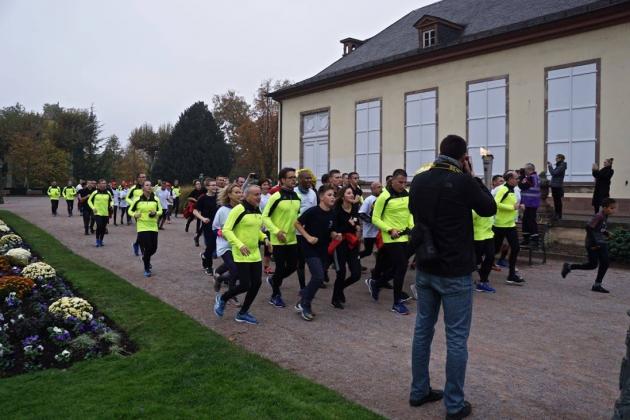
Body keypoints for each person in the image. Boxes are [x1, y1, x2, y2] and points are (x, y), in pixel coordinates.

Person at [408, 134, 496, 419]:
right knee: (456, 338)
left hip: (426, 264)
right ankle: (454, 405)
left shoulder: (419, 180)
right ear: (463, 156)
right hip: (455, 269)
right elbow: (488, 208)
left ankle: (418, 390)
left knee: (423, 330)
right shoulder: (462, 181)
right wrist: (473, 176)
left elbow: (414, 211)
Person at [214, 184, 270, 325]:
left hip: (254, 253)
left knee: (257, 283)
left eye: (259, 194)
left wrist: (264, 238)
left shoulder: (257, 210)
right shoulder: (238, 210)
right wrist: (239, 244)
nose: (259, 197)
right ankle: (223, 298)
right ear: (246, 196)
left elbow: (256, 230)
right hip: (240, 253)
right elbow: (226, 230)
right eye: (255, 195)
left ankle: (243, 313)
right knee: (245, 285)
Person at [366, 169, 414, 315]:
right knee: (401, 266)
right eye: (400, 182)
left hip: (404, 235)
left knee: (397, 267)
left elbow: (410, 212)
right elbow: (375, 218)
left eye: (405, 182)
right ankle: (396, 303)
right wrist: (389, 229)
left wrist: (411, 226)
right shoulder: (384, 196)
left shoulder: (407, 194)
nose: (403, 185)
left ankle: (377, 283)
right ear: (392, 180)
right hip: (391, 237)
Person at [294, 184, 337, 320]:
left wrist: (335, 235)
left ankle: (304, 296)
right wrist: (308, 237)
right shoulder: (313, 211)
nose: (333, 198)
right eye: (329, 195)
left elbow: (330, 230)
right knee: (318, 276)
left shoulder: (332, 213)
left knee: (318, 279)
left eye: (334, 195)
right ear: (321, 197)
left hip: (324, 249)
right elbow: (297, 223)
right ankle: (305, 305)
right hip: (309, 248)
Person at [263, 167, 301, 308]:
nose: (293, 180)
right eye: (290, 177)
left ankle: (274, 280)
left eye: (294, 177)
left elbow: (296, 216)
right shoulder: (276, 196)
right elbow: (265, 217)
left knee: (293, 266)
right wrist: (276, 231)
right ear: (282, 180)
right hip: (277, 240)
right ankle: (275, 295)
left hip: (292, 238)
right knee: (279, 268)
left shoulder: (297, 196)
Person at [562, 197, 616, 293]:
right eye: (611, 208)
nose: (613, 210)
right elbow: (589, 227)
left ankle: (570, 267)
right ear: (604, 207)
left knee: (597, 264)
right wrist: (595, 242)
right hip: (594, 244)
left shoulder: (604, 216)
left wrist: (607, 233)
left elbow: (599, 229)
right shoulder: (599, 216)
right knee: (597, 264)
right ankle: (596, 284)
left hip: (600, 242)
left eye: (614, 208)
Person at [330, 185, 362, 309]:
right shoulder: (336, 210)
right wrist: (348, 225)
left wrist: (358, 227)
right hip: (340, 244)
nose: (352, 195)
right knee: (341, 272)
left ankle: (341, 288)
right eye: (349, 193)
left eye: (352, 193)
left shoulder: (354, 207)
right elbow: (334, 229)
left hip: (352, 243)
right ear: (343, 196)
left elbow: (356, 223)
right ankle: (335, 299)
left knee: (356, 274)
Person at [212, 184, 242, 305]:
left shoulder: (242, 209)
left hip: (239, 245)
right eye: (237, 192)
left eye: (240, 192)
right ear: (229, 195)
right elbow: (214, 228)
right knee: (235, 270)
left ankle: (219, 278)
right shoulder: (222, 211)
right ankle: (231, 295)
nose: (240, 194)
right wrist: (222, 233)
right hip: (225, 245)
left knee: (241, 271)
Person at [493, 171, 525, 284]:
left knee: (515, 248)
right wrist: (512, 207)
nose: (518, 180)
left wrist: (519, 206)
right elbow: (495, 203)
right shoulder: (503, 189)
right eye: (516, 178)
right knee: (495, 250)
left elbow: (513, 206)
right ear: (510, 179)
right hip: (500, 225)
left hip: (510, 225)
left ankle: (511, 275)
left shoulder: (513, 190)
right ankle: (480, 268)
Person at [128, 180, 162, 277]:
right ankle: (147, 269)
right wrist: (135, 214)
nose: (149, 187)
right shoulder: (137, 199)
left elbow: (160, 211)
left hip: (153, 226)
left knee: (154, 248)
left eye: (150, 185)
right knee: (148, 247)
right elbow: (130, 210)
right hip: (142, 226)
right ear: (143, 187)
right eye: (147, 185)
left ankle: (145, 258)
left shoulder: (155, 199)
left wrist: (155, 213)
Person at [295, 169, 318, 291]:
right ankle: (302, 286)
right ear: (299, 180)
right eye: (306, 178)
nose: (309, 180)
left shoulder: (313, 193)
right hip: (297, 232)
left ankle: (318, 278)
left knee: (310, 258)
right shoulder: (294, 193)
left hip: (310, 232)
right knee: (300, 262)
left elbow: (315, 211)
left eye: (310, 178)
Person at [194, 178, 219, 276]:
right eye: (212, 185)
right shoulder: (202, 198)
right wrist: (202, 218)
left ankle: (204, 255)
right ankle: (208, 267)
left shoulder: (219, 198)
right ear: (207, 187)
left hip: (217, 225)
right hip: (207, 225)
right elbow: (195, 211)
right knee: (210, 245)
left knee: (214, 247)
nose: (214, 187)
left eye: (215, 185)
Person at [472, 209, 496, 293]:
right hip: (477, 237)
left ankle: (483, 281)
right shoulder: (474, 210)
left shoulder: (489, 205)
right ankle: (462, 280)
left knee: (491, 256)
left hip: (489, 234)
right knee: (476, 261)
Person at [518, 163, 540, 247]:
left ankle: (534, 240)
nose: (524, 171)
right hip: (530, 203)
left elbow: (522, 186)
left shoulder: (531, 177)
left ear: (528, 169)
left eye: (525, 169)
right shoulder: (535, 177)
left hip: (530, 203)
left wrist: (521, 176)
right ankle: (526, 238)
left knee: (530, 221)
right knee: (526, 221)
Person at [359, 181, 382, 260]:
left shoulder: (382, 198)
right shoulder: (368, 200)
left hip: (380, 231)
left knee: (383, 250)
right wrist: (372, 220)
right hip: (369, 232)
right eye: (378, 187)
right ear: (372, 189)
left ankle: (378, 269)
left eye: (381, 187)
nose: (381, 189)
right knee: (368, 251)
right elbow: (361, 214)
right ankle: (355, 258)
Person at [126, 173, 147, 256]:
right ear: (138, 178)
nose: (142, 178)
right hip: (138, 213)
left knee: (143, 231)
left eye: (144, 177)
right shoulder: (133, 188)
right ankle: (143, 251)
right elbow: (127, 198)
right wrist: (134, 204)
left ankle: (136, 244)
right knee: (142, 230)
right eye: (141, 177)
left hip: (147, 212)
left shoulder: (148, 187)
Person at [88, 179, 113, 247]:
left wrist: (111, 205)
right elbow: (89, 201)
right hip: (97, 213)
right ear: (98, 184)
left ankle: (101, 240)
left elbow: (111, 201)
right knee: (99, 226)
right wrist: (93, 208)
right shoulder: (95, 192)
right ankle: (97, 241)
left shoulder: (108, 193)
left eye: (104, 183)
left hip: (105, 213)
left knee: (103, 228)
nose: (103, 184)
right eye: (102, 183)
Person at [259, 178, 274, 275]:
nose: (266, 186)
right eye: (264, 184)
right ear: (260, 186)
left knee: (268, 246)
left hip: (268, 224)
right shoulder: (258, 196)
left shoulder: (271, 196)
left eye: (267, 184)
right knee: (256, 246)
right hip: (259, 224)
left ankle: (267, 266)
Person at [547, 154, 567, 220]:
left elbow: (554, 173)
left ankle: (558, 215)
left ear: (561, 158)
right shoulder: (560, 165)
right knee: (556, 201)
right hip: (555, 185)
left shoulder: (561, 166)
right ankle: (557, 214)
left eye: (557, 158)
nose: (556, 159)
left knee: (557, 201)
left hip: (557, 186)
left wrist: (550, 166)